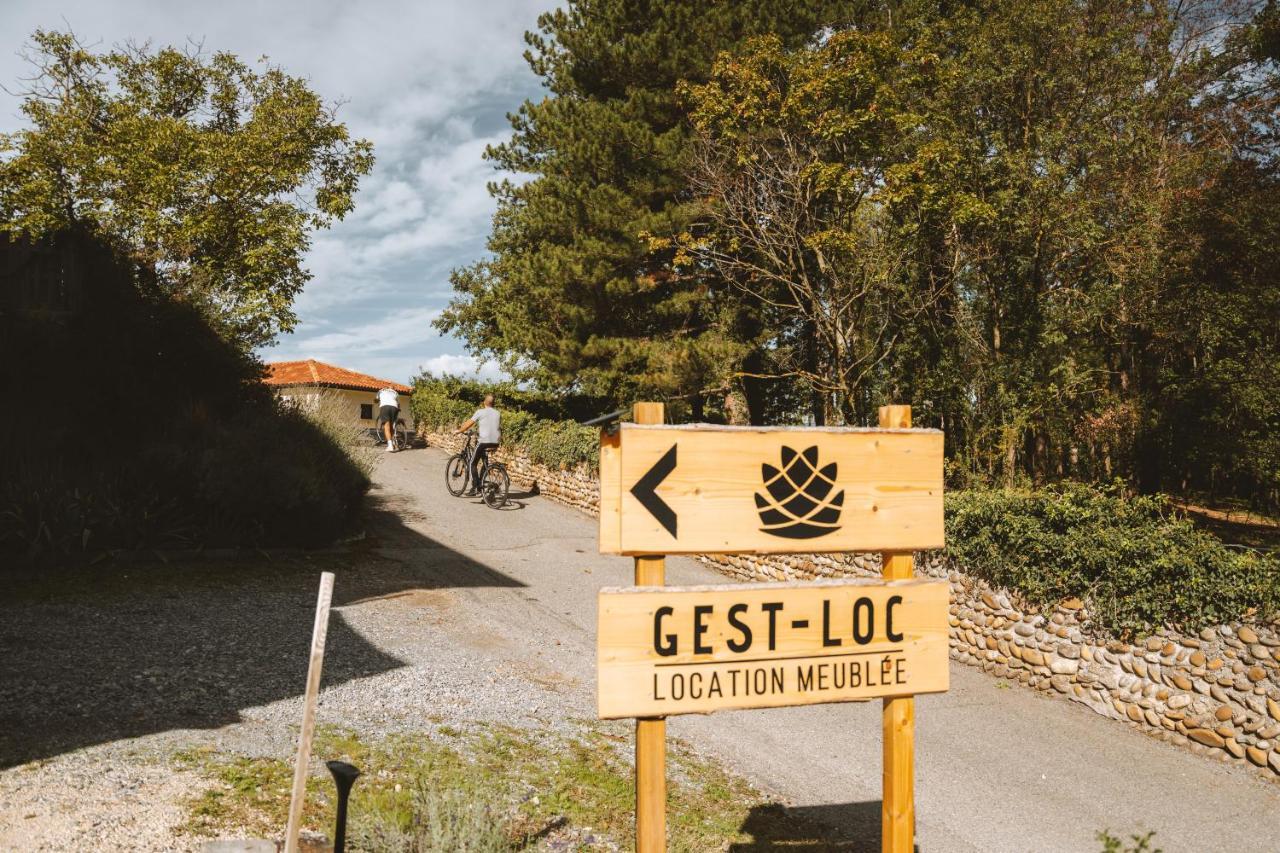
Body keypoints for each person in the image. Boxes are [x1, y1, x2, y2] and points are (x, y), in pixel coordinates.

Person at [454, 394, 500, 496]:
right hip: (495, 442)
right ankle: (482, 483)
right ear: (494, 403)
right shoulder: (497, 413)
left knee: (472, 463)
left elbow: (469, 423)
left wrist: (459, 431)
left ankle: (475, 487)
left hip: (484, 442)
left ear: (484, 402)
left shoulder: (480, 412)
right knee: (484, 461)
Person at [377, 386, 400, 452]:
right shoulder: (395, 392)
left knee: (386, 426)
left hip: (385, 407)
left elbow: (376, 399)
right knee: (391, 426)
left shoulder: (381, 390)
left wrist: (376, 401)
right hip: (394, 407)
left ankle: (390, 446)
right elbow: (398, 404)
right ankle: (393, 442)